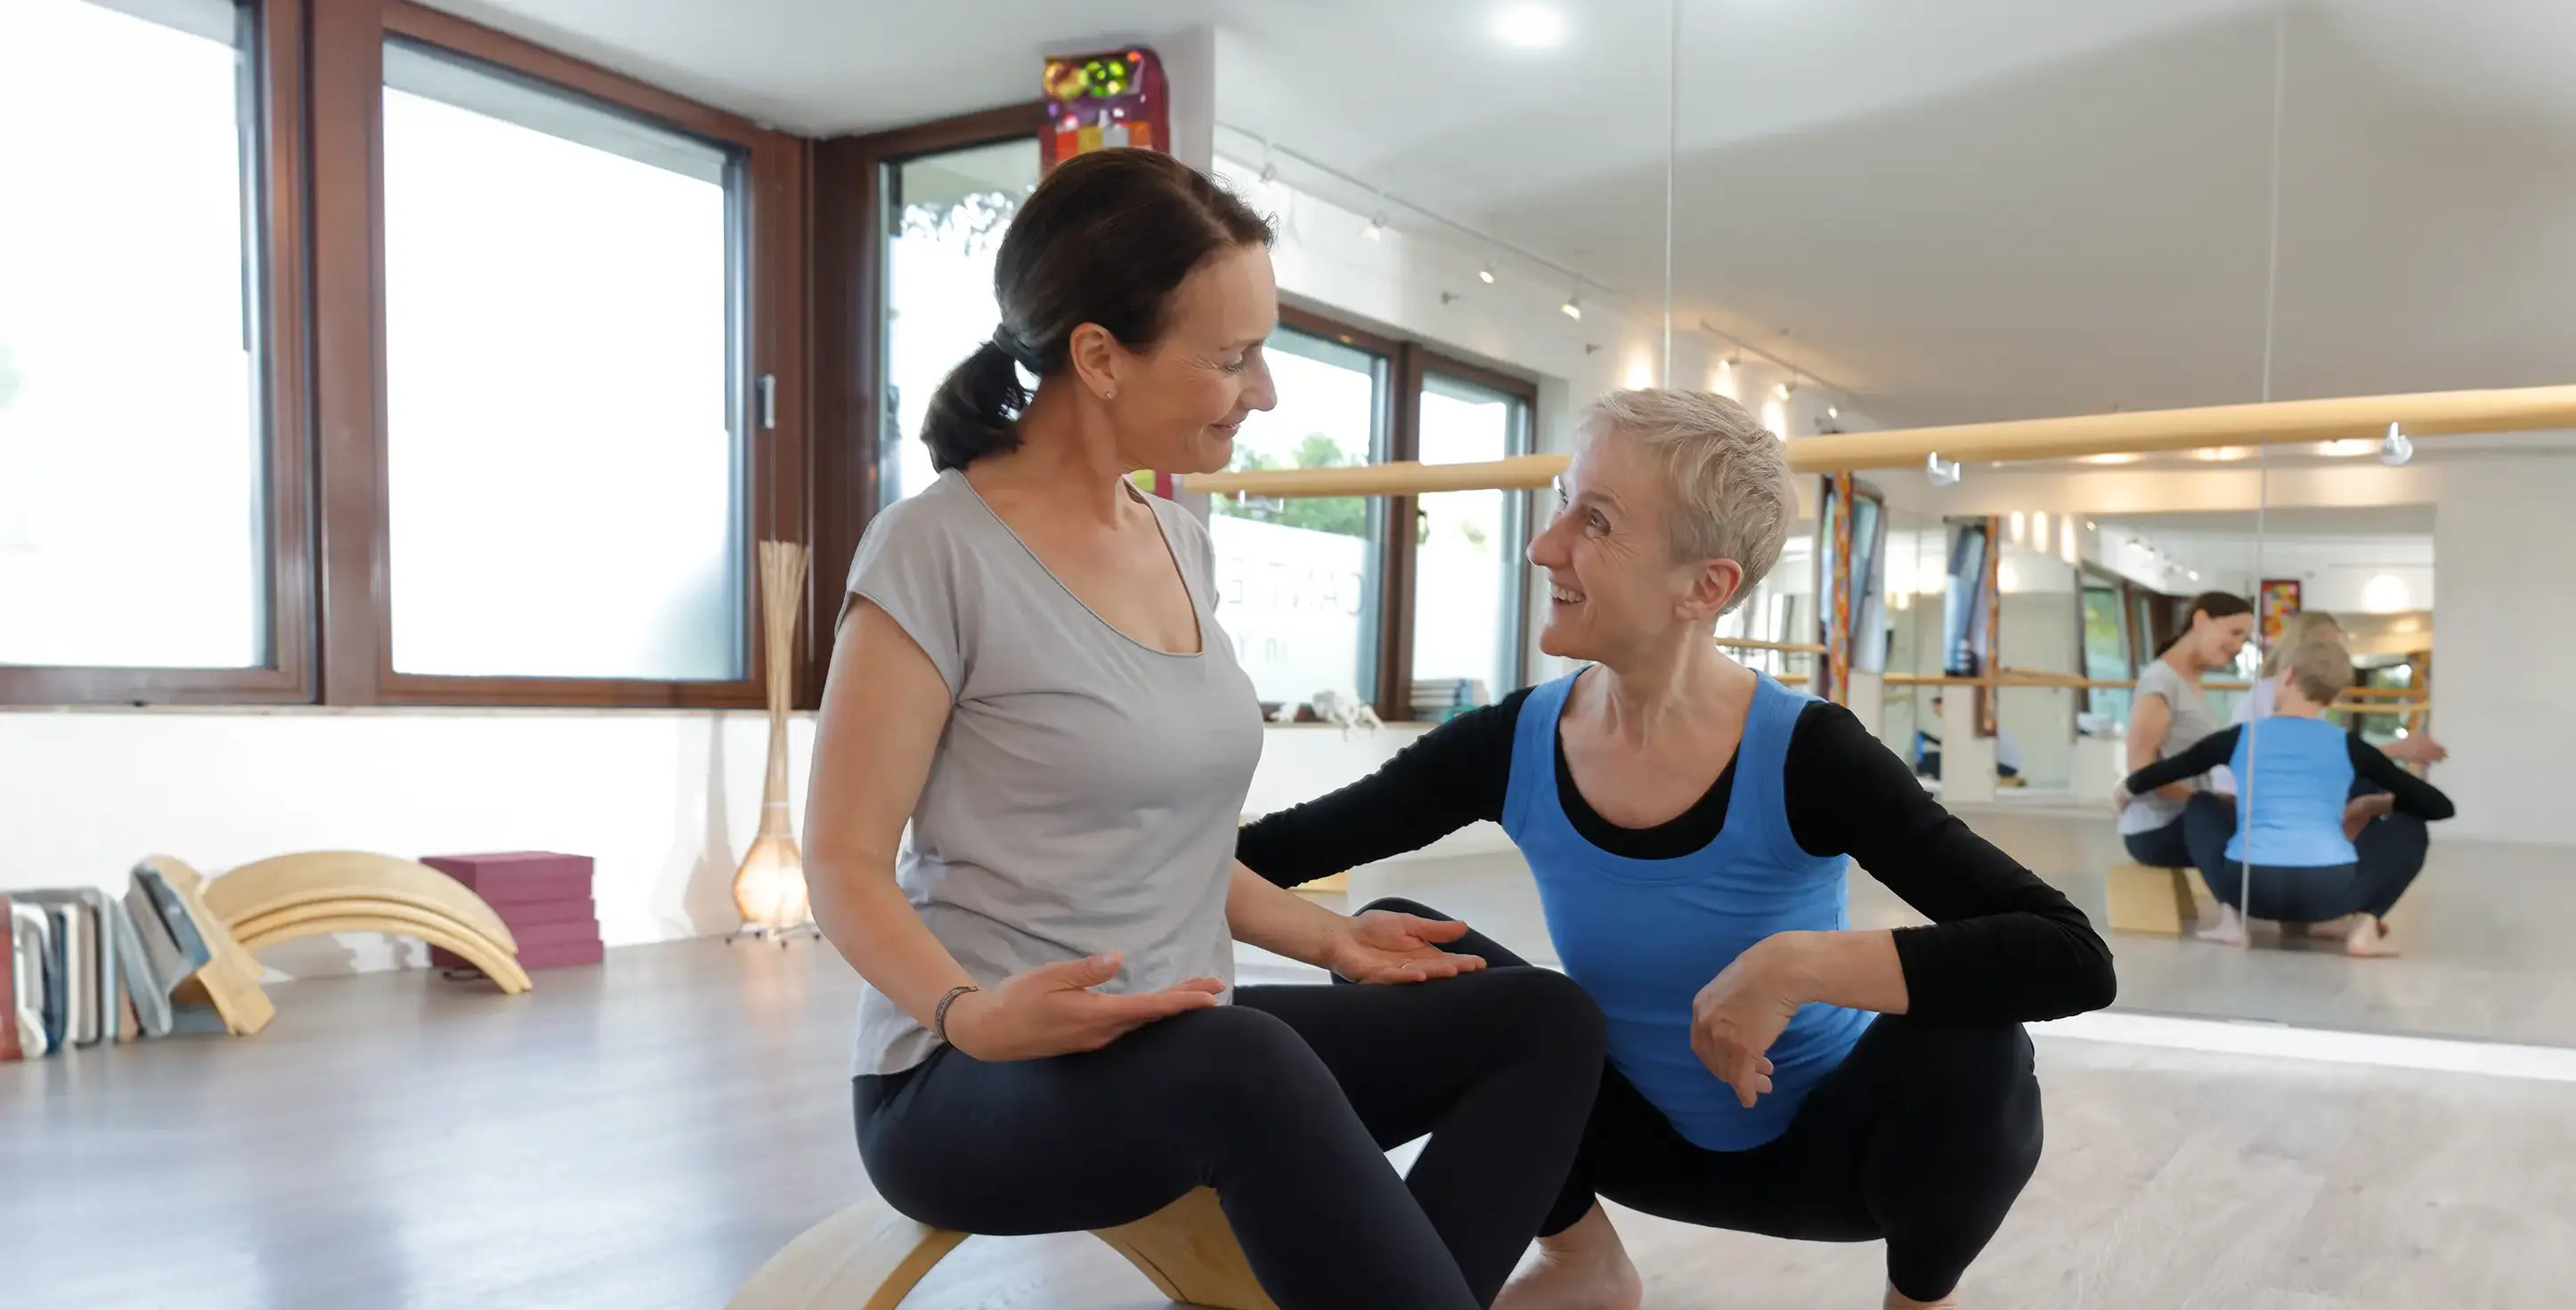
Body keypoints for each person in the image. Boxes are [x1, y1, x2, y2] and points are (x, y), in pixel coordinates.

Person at [802, 149, 1607, 1310]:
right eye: (1233, 357)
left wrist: (1329, 941)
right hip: (969, 1076)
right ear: (1098, 356)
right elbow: (841, 860)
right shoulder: (937, 550)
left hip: (1190, 1038)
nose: (1265, 391)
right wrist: (968, 1010)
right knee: (1242, 1061)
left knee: (1540, 1016)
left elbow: (1172, 841)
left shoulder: (1179, 541)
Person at [1237, 389, 2119, 1310]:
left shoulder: (1808, 753)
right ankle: (1584, 1261)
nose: (1544, 547)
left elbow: (2070, 955)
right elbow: (1258, 858)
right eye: (1562, 503)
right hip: (1620, 1137)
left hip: (1831, 1152)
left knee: (1978, 1046)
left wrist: (1799, 965)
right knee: (1401, 941)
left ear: (1705, 586)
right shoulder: (1513, 742)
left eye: (1596, 521)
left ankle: (1918, 1301)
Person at [2119, 639, 2453, 957]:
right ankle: (2365, 929)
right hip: (2329, 897)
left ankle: (2231, 922)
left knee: (2201, 803)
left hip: (2249, 890)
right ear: (2332, 694)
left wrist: (2126, 791)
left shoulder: (2240, 738)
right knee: (2412, 827)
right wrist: (2374, 804)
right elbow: (2438, 806)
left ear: (2289, 675)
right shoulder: (2350, 746)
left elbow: (2161, 772)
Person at [2117, 591, 2255, 869]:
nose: (2238, 646)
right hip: (2159, 829)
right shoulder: (2161, 680)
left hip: (2187, 818)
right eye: (2234, 632)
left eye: (2244, 639)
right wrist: (2204, 801)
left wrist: (2212, 801)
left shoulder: (2188, 681)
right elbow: (2139, 767)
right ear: (2201, 619)